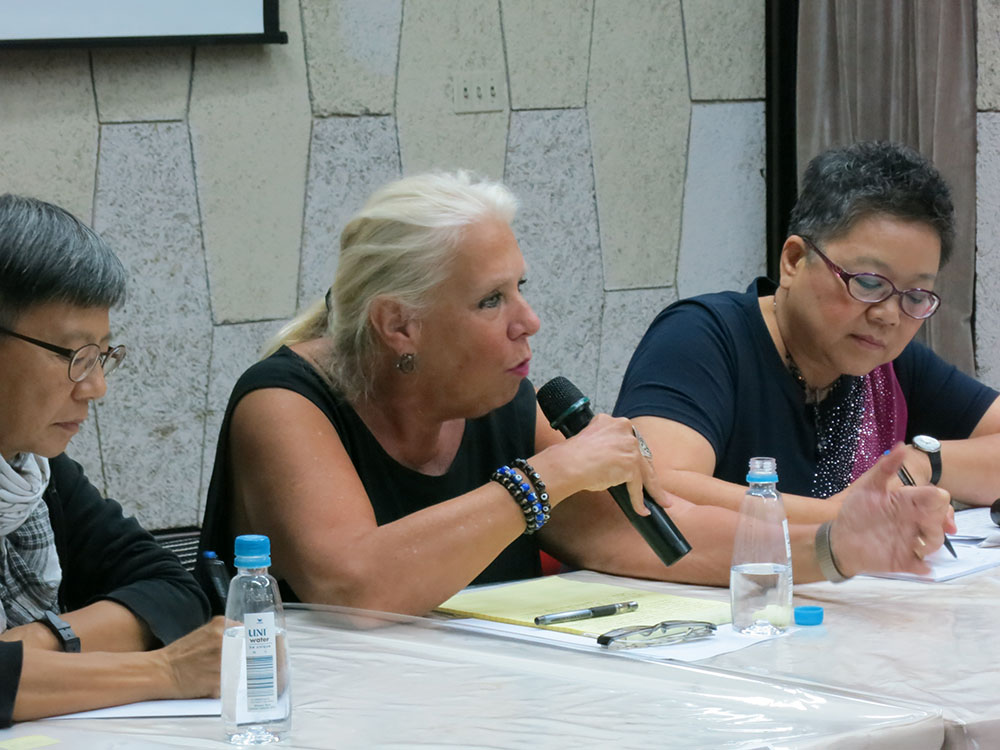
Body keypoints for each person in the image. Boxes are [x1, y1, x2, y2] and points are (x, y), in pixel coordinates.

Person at [198, 170, 953, 616]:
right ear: (401, 326)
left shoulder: (503, 400)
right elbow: (355, 584)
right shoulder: (286, 403)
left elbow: (637, 534)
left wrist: (832, 546)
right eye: (491, 300)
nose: (528, 321)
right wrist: (543, 479)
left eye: (520, 287)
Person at [615, 140, 1000, 528]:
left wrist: (922, 463)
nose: (888, 315)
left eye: (915, 296)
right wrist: (845, 521)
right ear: (794, 260)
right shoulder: (702, 337)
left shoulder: (888, 364)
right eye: (868, 283)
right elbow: (657, 486)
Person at [0, 195, 222, 726]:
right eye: (75, 356)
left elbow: (173, 589)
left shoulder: (35, 474)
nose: (95, 387)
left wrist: (39, 643)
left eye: (101, 356)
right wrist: (166, 671)